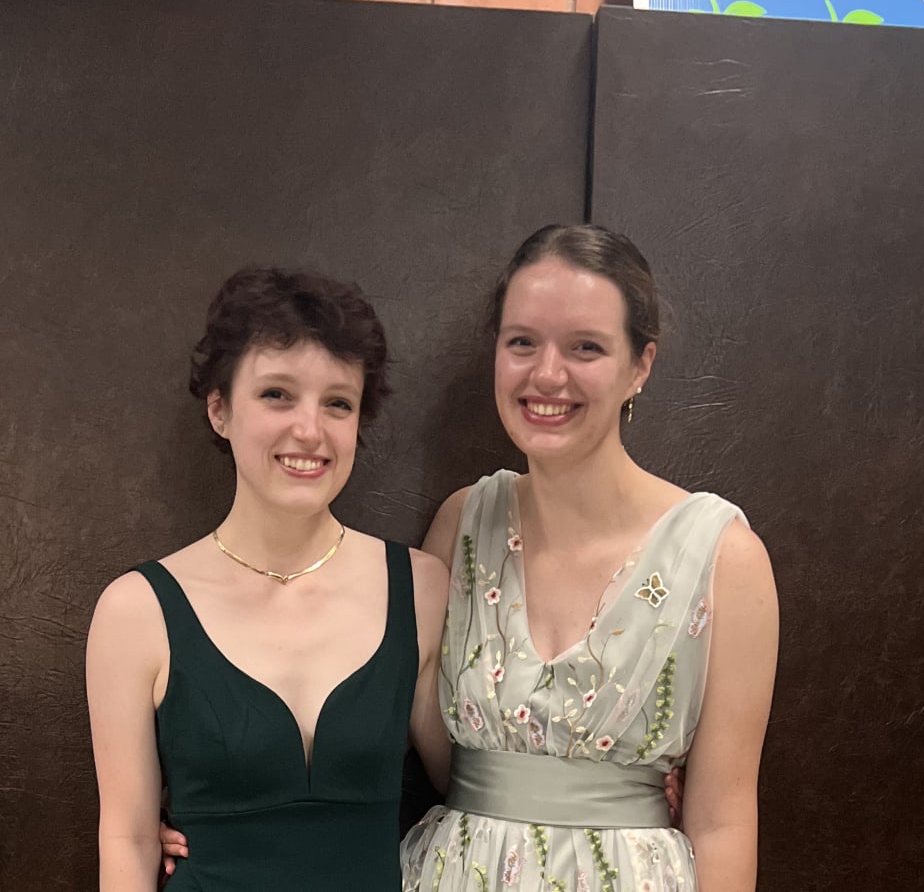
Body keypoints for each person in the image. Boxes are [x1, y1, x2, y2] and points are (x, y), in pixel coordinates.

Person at [399, 223, 778, 892]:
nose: (547, 374)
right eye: (522, 342)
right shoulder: (460, 525)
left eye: (585, 347)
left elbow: (722, 820)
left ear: (641, 365)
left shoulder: (723, 558)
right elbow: (427, 748)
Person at [85, 267, 450, 892]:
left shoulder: (420, 588)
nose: (310, 430)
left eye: (338, 403)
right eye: (277, 394)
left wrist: (630, 787)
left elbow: (477, 787)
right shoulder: (135, 611)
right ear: (220, 409)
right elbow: (127, 839)